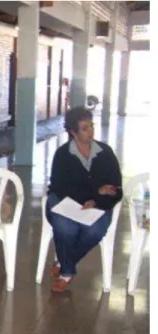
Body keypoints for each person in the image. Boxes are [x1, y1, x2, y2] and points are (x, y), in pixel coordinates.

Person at [46, 107, 122, 293]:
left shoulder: (105, 152)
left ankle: (64, 263)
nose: (91, 132)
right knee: (66, 228)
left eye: (91, 126)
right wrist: (93, 193)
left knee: (94, 231)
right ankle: (66, 273)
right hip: (65, 202)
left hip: (98, 205)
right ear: (73, 132)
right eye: (85, 128)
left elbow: (116, 189)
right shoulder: (63, 155)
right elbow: (60, 187)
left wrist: (96, 201)